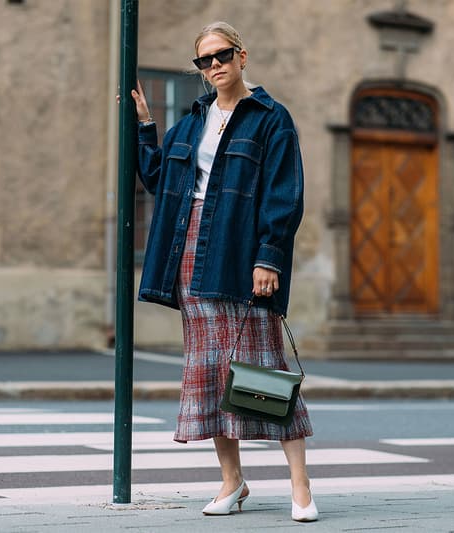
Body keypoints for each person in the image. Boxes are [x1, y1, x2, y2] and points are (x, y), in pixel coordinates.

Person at [128, 21, 317, 522]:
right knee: (211, 374)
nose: (214, 66)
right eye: (204, 60)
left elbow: (285, 194)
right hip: (191, 257)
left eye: (222, 55)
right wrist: (146, 125)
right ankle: (233, 482)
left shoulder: (271, 118)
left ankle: (301, 485)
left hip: (241, 253)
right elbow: (158, 178)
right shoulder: (191, 123)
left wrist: (269, 256)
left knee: (265, 369)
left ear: (242, 55)